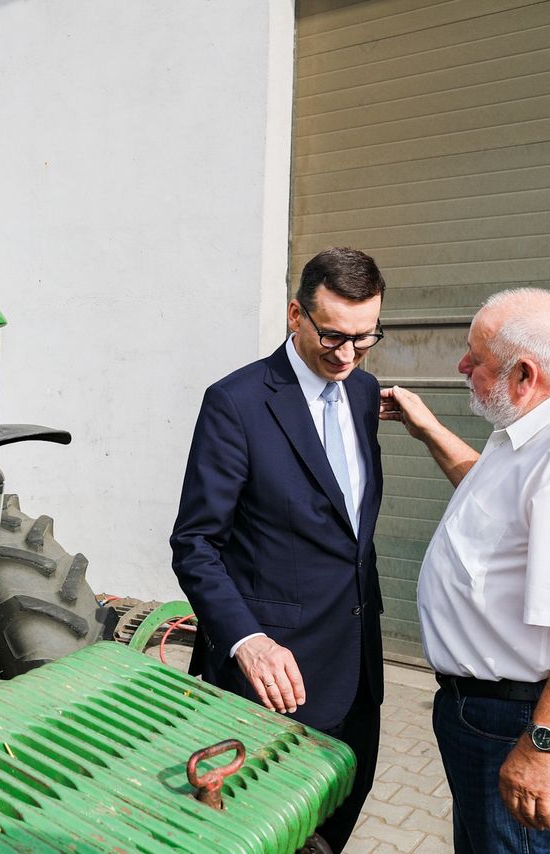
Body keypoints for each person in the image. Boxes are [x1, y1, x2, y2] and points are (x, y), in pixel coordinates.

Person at [379, 288, 550, 852]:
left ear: (524, 373)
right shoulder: (532, 434)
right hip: (490, 712)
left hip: (523, 721)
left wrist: (543, 748)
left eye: (474, 358)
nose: (462, 367)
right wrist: (430, 431)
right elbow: (504, 515)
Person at [170, 247, 387, 850]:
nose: (347, 356)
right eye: (335, 337)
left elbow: (345, 532)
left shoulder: (365, 395)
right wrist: (248, 641)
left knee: (337, 821)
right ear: (297, 314)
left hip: (358, 671)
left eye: (365, 340)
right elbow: (195, 544)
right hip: (272, 683)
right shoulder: (235, 403)